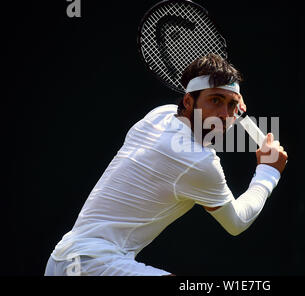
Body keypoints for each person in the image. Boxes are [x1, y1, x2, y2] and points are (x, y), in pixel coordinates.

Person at [44, 53, 288, 276]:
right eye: (215, 100)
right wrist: (268, 172)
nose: (225, 113)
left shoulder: (160, 114)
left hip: (63, 262)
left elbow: (205, 127)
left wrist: (228, 102)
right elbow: (237, 223)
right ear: (189, 102)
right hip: (91, 264)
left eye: (231, 105)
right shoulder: (199, 162)